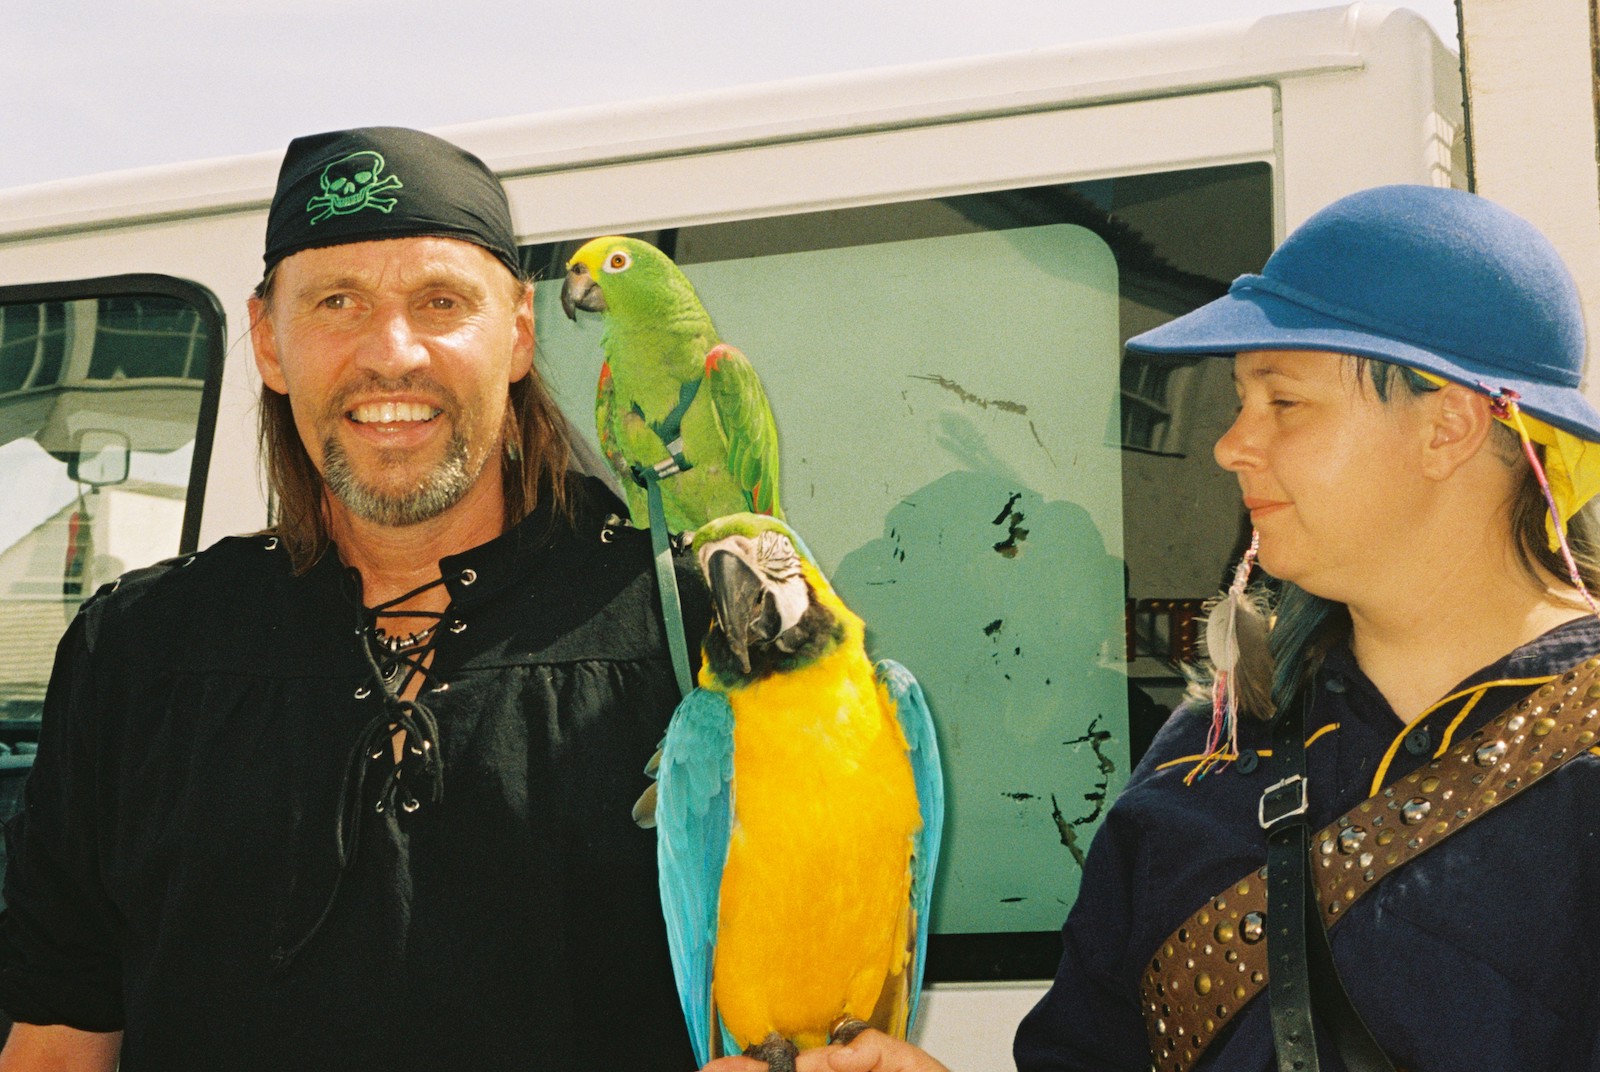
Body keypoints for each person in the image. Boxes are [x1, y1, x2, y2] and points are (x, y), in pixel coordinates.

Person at [717, 185, 1600, 1072]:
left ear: (1446, 427)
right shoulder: (1210, 748)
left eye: (1282, 403)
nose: (1229, 445)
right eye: (1238, 399)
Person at [0, 127, 700, 1071]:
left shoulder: (688, 623)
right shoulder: (138, 651)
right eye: (339, 302)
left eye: (441, 301)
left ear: (520, 334)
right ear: (268, 342)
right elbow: (59, 1042)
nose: (393, 353)